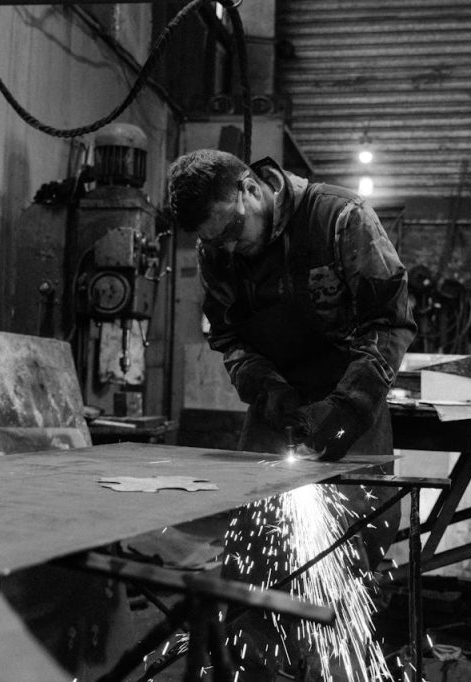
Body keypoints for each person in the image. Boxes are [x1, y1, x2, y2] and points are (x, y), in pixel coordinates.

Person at [167, 149, 416, 677]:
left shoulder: (340, 219)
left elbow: (390, 323)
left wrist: (348, 406)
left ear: (250, 188)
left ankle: (339, 666)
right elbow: (229, 336)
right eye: (214, 240)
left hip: (352, 396)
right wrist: (265, 387)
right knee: (254, 557)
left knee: (347, 557)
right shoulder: (217, 249)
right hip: (276, 404)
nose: (228, 247)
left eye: (232, 230)